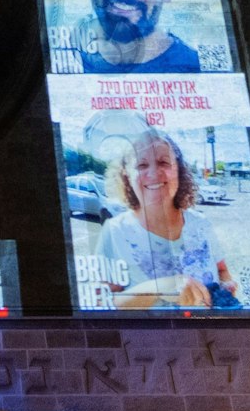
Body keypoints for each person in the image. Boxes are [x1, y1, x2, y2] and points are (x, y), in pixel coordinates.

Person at [94, 127, 238, 309]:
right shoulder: (115, 232)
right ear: (127, 176)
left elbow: (222, 269)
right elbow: (101, 304)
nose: (154, 173)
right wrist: (160, 288)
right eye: (142, 165)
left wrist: (226, 286)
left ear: (179, 170)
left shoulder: (200, 223)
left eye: (163, 162)